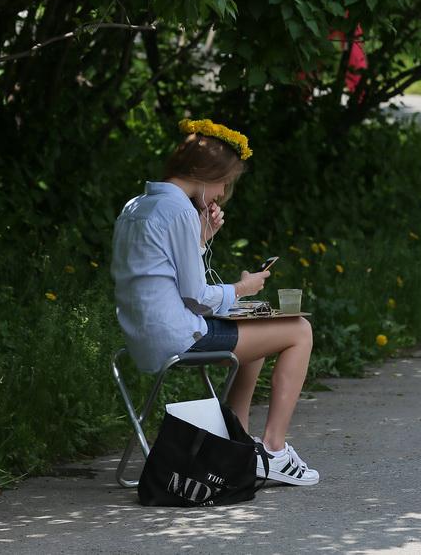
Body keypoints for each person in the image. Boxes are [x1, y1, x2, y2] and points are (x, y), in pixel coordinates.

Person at [111, 118, 319, 486]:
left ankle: (236, 447)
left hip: (143, 339)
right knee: (300, 330)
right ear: (204, 173)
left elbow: (162, 275)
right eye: (224, 181)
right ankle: (273, 448)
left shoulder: (137, 206)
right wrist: (242, 287)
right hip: (179, 338)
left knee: (254, 337)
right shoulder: (178, 212)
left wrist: (203, 236)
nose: (222, 192)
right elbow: (197, 295)